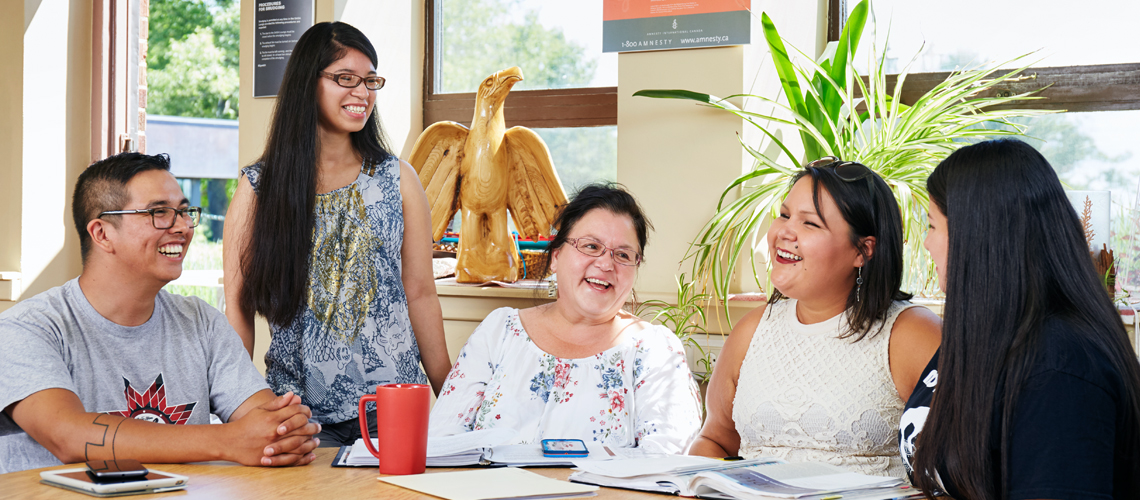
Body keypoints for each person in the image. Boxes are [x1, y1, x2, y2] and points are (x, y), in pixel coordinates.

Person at [0, 152, 320, 474]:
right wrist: (226, 440)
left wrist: (286, 430)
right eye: (159, 213)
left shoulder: (201, 322)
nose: (181, 226)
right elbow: (68, 436)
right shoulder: (26, 330)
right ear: (102, 233)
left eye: (183, 211)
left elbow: (266, 423)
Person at [223, 22, 450, 447]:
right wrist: (243, 409)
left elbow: (420, 292)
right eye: (345, 79)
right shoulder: (259, 189)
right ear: (307, 84)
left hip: (395, 408)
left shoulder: (397, 179)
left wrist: (453, 400)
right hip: (298, 415)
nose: (362, 93)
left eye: (370, 81)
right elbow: (238, 308)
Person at [902, 139, 1140, 499]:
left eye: (933, 227)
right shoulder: (989, 336)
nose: (926, 244)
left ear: (977, 237)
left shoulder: (1060, 368)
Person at [691, 158, 942, 476]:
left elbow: (960, 467)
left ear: (862, 251)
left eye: (809, 223)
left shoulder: (910, 334)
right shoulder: (752, 331)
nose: (784, 231)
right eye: (784, 215)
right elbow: (714, 441)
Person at [428, 184, 702, 453]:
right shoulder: (500, 332)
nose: (606, 264)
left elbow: (664, 463)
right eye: (591, 246)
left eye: (623, 255)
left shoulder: (655, 350)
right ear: (556, 256)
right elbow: (442, 441)